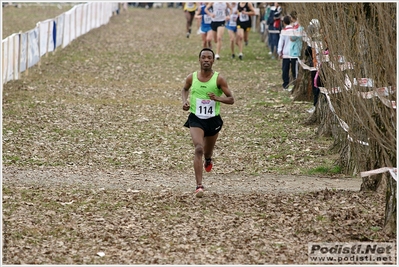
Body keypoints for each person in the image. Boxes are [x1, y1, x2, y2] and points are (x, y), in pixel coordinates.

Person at [181, 48, 235, 198]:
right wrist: (185, 102)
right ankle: (199, 185)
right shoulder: (192, 77)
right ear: (199, 60)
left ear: (213, 60)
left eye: (209, 58)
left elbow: (231, 99)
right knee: (198, 148)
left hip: (213, 119)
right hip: (196, 118)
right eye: (203, 57)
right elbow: (184, 89)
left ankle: (208, 159)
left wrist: (218, 98)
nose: (206, 60)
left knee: (207, 152)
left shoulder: (219, 79)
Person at [277, 15, 296, 90]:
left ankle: (286, 84)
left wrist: (279, 52)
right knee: (294, 69)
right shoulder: (295, 30)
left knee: (285, 70)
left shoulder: (284, 31)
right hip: (294, 53)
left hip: (286, 53)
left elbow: (281, 42)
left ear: (284, 22)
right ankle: (294, 83)